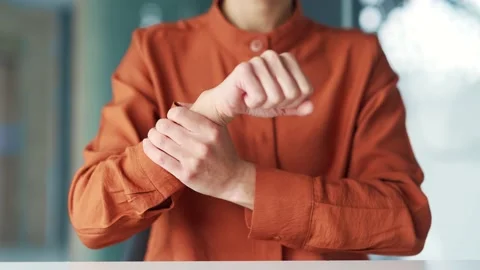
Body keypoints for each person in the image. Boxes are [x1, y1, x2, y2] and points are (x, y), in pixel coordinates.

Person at [68, 0, 432, 261]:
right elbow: (90, 219)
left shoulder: (361, 57)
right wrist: (203, 117)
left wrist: (239, 183)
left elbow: (405, 221)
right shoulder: (153, 51)